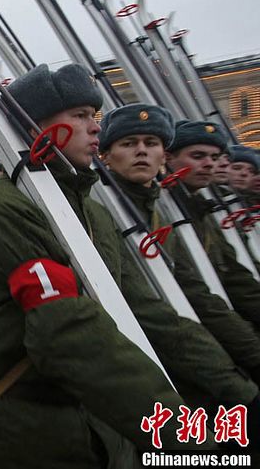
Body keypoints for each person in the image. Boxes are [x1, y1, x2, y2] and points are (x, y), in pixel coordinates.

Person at [0, 64, 250, 467]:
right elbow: (67, 332)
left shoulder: (92, 211)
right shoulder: (8, 207)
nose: (95, 127)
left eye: (93, 116)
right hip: (28, 430)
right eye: (79, 116)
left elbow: (143, 308)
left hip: (95, 421)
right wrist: (180, 432)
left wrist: (238, 390)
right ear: (36, 127)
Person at [99, 104, 260, 392]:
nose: (141, 151)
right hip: (155, 361)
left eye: (151, 143)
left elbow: (216, 281)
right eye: (128, 143)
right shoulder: (106, 208)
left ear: (163, 154)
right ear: (106, 156)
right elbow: (148, 304)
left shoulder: (166, 208)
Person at [166, 121, 260, 328]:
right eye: (198, 156)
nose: (210, 164)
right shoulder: (165, 209)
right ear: (168, 158)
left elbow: (236, 276)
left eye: (215, 157)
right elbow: (195, 293)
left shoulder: (204, 211)